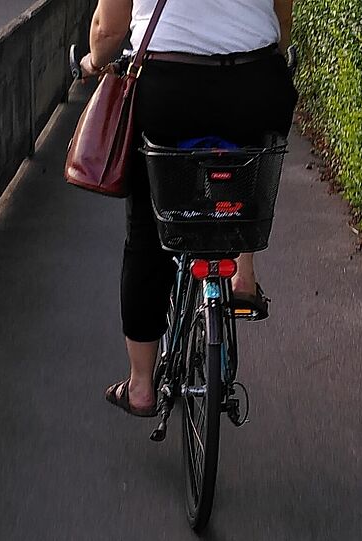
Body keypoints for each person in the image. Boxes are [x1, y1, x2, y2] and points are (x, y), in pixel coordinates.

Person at [79, 0, 298, 417]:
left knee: (147, 229)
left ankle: (141, 385)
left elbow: (110, 29)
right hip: (255, 86)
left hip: (169, 89)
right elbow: (281, 17)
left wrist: (93, 61)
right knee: (250, 169)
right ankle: (243, 277)